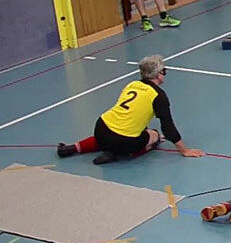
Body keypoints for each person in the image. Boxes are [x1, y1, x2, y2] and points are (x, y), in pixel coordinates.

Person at [56, 55, 204, 164]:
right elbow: (168, 127)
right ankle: (118, 154)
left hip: (101, 127)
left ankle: (73, 148)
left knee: (112, 131)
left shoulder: (131, 85)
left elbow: (130, 112)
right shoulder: (158, 96)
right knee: (154, 135)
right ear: (159, 75)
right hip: (124, 141)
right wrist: (184, 150)